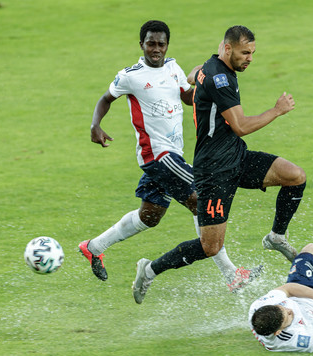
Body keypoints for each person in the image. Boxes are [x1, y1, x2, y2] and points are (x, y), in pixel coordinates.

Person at [78, 20, 262, 292]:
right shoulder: (131, 75)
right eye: (150, 43)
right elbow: (106, 98)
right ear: (141, 44)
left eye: (160, 44)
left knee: (149, 216)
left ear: (167, 45)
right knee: (201, 199)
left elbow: (188, 97)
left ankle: (94, 247)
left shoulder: (173, 68)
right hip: (157, 155)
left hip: (173, 153)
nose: (156, 48)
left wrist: (204, 84)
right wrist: (95, 125)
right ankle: (232, 274)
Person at [132, 25, 307, 304]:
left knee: (295, 175)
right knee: (210, 246)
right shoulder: (220, 80)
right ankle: (150, 269)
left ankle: (276, 236)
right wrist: (277, 110)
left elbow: (192, 74)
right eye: (244, 52)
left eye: (252, 53)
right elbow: (239, 125)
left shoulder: (210, 67)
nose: (249, 58)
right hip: (214, 171)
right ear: (227, 49)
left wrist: (196, 81)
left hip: (236, 156)